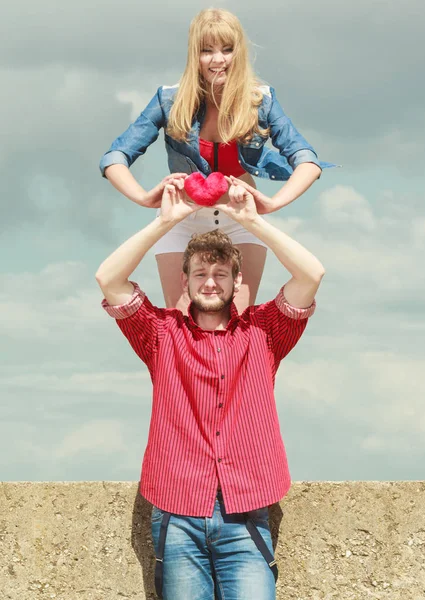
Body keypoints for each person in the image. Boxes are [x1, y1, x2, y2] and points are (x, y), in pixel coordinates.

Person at [96, 177, 325, 599]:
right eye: (200, 272)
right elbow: (108, 278)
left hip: (246, 511)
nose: (210, 282)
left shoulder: (264, 332)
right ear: (184, 282)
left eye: (221, 273)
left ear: (237, 282)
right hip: (177, 512)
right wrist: (167, 222)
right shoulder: (160, 335)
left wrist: (251, 223)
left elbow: (312, 273)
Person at [99, 8, 334, 314]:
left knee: (233, 321)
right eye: (206, 50)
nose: (217, 59)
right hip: (182, 219)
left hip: (239, 218)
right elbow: (115, 157)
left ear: (240, 53)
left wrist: (271, 204)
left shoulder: (260, 100)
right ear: (194, 54)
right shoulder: (168, 99)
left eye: (227, 49)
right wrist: (145, 199)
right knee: (183, 324)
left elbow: (307, 161)